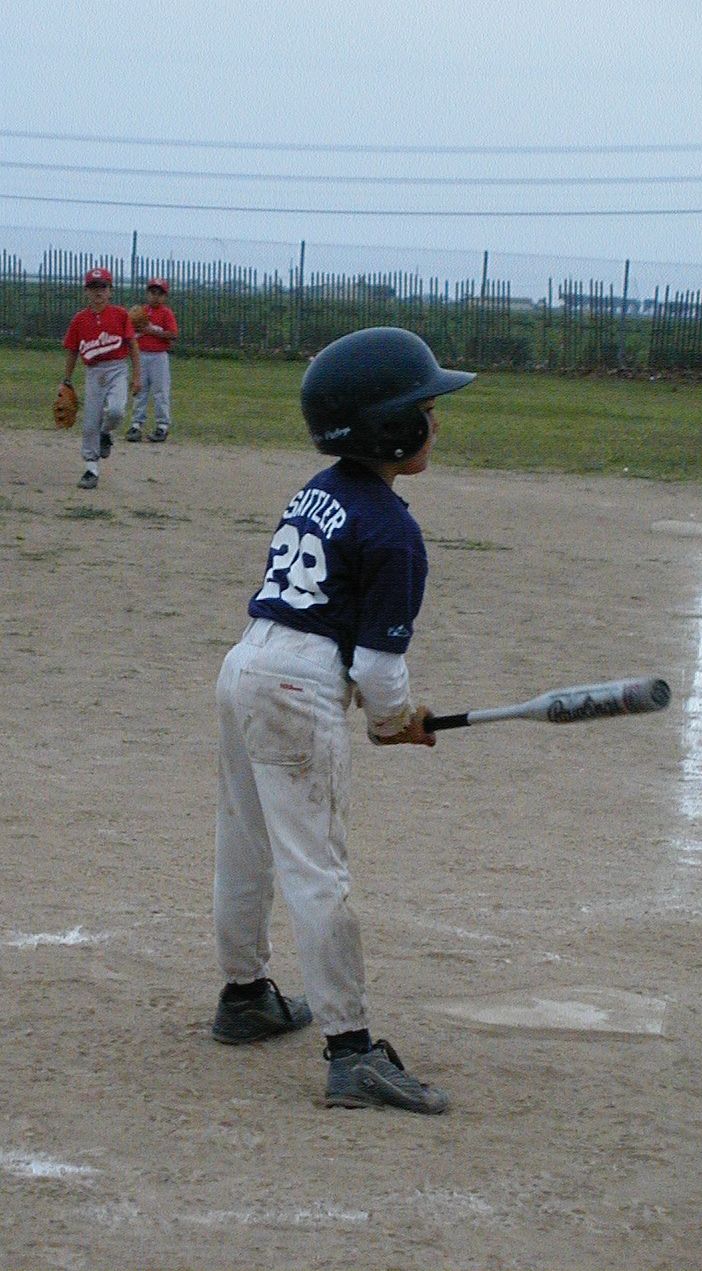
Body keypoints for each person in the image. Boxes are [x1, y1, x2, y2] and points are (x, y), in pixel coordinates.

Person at [211, 327, 475, 1114]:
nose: (436, 421)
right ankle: (351, 1052)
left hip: (245, 666)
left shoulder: (318, 488)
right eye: (424, 409)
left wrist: (388, 717)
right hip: (297, 689)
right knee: (316, 870)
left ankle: (244, 996)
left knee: (245, 846)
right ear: (389, 428)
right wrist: (394, 721)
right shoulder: (393, 530)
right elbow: (379, 673)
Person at [62, 267, 140, 489]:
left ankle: (105, 433)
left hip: (117, 369)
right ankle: (91, 468)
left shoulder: (120, 314)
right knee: (90, 422)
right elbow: (72, 350)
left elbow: (132, 344)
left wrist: (136, 375)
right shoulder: (79, 319)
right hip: (93, 372)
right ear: (86, 291)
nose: (98, 292)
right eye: (93, 287)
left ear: (110, 291)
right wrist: (67, 379)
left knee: (116, 411)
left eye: (103, 287)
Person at [126, 277, 178, 443]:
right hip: (141, 355)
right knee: (139, 390)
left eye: (159, 294)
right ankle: (136, 425)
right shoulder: (141, 311)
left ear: (165, 296)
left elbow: (173, 334)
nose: (155, 296)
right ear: (147, 294)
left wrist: (150, 331)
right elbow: (130, 332)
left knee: (161, 391)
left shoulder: (166, 313)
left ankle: (162, 426)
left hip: (159, 356)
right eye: (152, 292)